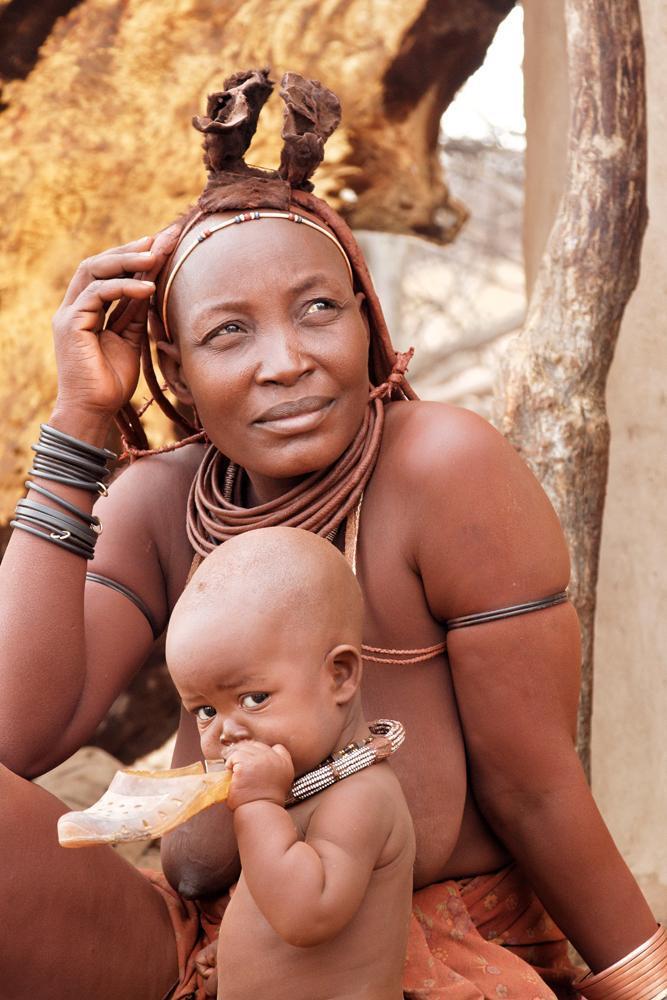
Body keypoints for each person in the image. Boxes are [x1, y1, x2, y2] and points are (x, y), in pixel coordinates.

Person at [0, 69, 662, 1000]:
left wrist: (643, 981)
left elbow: (535, 787)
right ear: (178, 373)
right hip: (199, 945)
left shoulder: (442, 469)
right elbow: (13, 735)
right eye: (229, 334)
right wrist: (78, 428)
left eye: (318, 308)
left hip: (396, 952)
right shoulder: (159, 500)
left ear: (367, 322)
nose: (287, 361)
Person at [164, 526, 415, 1000]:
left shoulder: (361, 798)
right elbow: (277, 899)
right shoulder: (305, 784)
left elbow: (306, 914)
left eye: (254, 698)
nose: (225, 731)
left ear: (339, 675)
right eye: (205, 711)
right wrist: (238, 953)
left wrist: (258, 805)